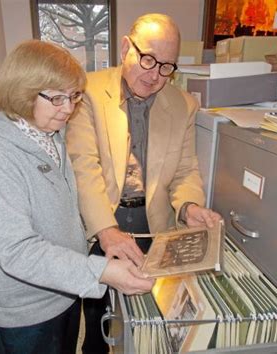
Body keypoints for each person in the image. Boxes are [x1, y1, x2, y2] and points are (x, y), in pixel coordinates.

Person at [0, 40, 154, 354]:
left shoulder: (49, 133)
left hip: (63, 289)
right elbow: (15, 250)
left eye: (74, 96)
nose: (68, 109)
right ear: (22, 91)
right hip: (21, 310)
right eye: (56, 98)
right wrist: (100, 272)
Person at [66, 13, 222, 353]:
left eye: (166, 67)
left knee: (147, 315)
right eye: (148, 59)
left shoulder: (183, 105)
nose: (154, 75)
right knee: (99, 316)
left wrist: (189, 206)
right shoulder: (87, 91)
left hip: (154, 223)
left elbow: (184, 171)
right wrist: (106, 231)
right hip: (101, 220)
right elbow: (84, 169)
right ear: (126, 48)